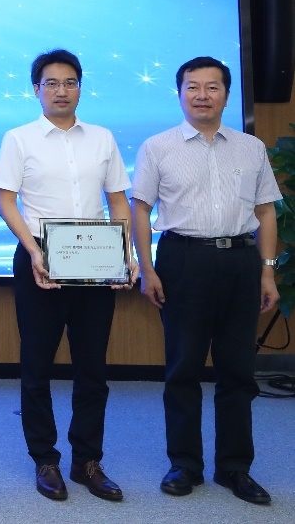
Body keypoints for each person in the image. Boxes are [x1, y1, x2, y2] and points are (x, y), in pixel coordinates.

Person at [130, 56, 281, 506]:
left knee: (238, 370)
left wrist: (267, 269)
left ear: (226, 95)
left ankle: (235, 467)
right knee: (183, 368)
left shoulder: (250, 147)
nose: (202, 95)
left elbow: (265, 211)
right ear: (179, 94)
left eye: (212, 87)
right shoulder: (158, 147)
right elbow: (141, 209)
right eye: (192, 87)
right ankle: (185, 464)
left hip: (241, 262)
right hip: (183, 260)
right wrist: (147, 268)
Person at [0, 49, 136, 502]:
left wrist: (127, 253)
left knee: (92, 368)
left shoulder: (102, 139)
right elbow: (6, 201)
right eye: (51, 83)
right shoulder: (19, 139)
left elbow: (118, 201)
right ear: (36, 89)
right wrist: (34, 251)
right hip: (40, 260)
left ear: (80, 87)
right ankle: (45, 459)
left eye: (69, 82)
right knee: (37, 365)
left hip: (96, 261)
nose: (61, 90)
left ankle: (87, 460)